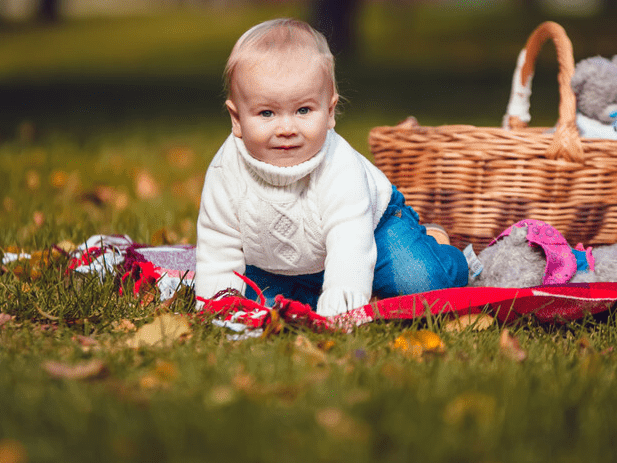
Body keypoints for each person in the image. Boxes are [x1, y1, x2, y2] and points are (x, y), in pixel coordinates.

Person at [195, 18, 480, 317]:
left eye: (303, 110)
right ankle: (323, 289)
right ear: (237, 119)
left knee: (421, 282)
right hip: (278, 261)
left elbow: (349, 242)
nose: (287, 127)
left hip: (373, 229)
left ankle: (444, 253)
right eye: (267, 113)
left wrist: (344, 303)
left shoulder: (339, 167)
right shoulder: (225, 173)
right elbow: (219, 243)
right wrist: (217, 307)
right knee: (262, 310)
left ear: (330, 112)